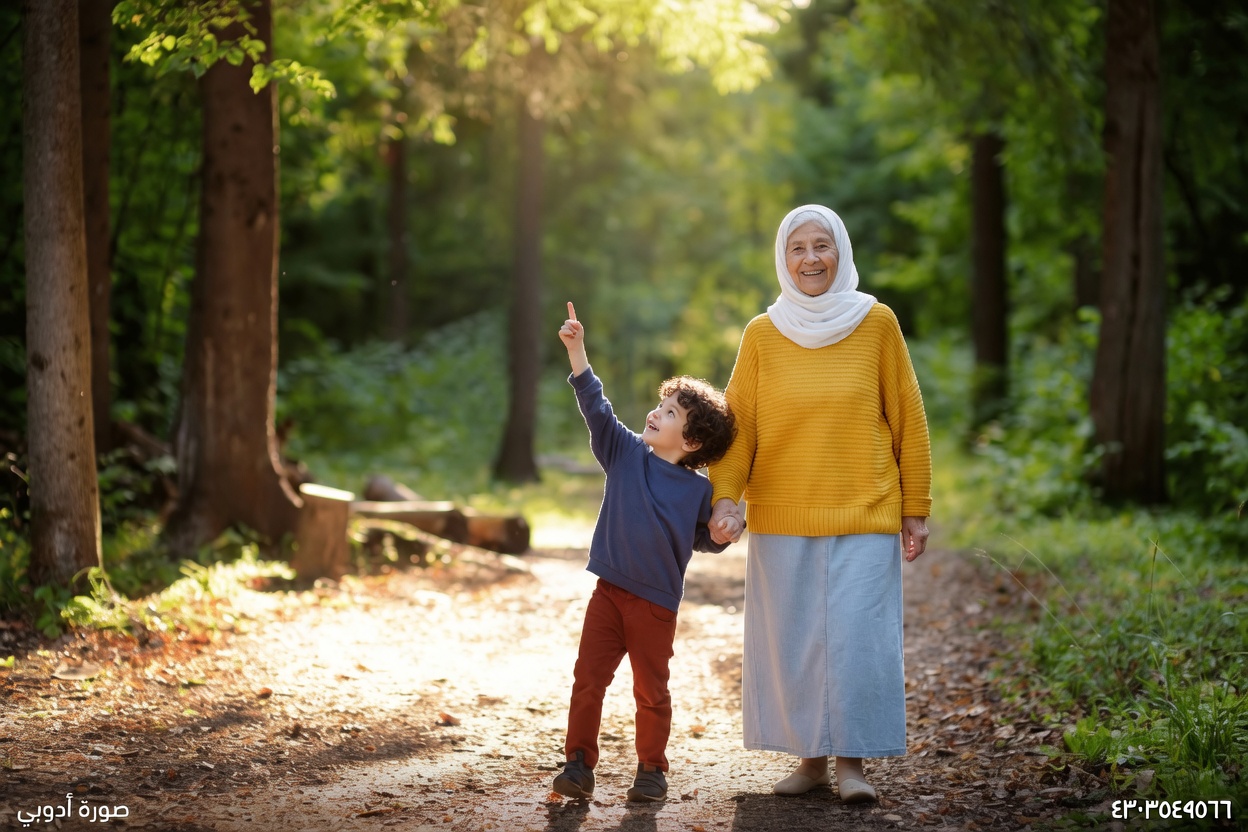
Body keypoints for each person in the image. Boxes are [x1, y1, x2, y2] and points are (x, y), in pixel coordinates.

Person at [707, 204, 932, 804]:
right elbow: (739, 429)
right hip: (782, 514)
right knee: (797, 640)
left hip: (866, 510)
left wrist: (917, 506)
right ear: (783, 259)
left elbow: (908, 419)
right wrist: (725, 498)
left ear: (842, 252)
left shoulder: (877, 323)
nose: (811, 258)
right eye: (798, 248)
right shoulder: (761, 333)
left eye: (822, 245)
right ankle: (809, 760)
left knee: (858, 641)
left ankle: (852, 763)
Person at [552, 301, 739, 803]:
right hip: (608, 594)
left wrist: (718, 536)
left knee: (650, 692)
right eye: (660, 406)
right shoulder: (624, 452)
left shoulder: (697, 491)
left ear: (693, 439)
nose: (656, 413)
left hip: (656, 606)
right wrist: (578, 352)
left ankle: (651, 771)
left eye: (671, 412)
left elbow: (698, 538)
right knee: (587, 680)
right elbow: (597, 407)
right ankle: (577, 765)